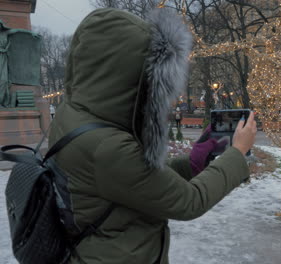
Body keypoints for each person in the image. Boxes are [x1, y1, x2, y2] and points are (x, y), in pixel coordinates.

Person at [48, 7, 256, 264]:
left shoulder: (76, 114)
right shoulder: (105, 146)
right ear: (130, 76)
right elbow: (189, 201)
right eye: (156, 82)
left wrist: (191, 163)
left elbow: (134, 179)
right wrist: (236, 154)